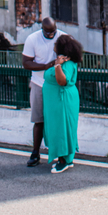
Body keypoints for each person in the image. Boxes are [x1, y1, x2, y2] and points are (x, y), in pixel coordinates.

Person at [21, 17, 64, 166]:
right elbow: (26, 63)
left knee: (57, 121)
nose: (51, 35)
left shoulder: (62, 37)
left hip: (56, 85)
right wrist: (45, 66)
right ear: (42, 30)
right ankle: (35, 153)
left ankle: (59, 154)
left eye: (53, 32)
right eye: (48, 32)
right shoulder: (32, 39)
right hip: (39, 84)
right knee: (39, 120)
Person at [42, 35, 83, 173]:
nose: (54, 46)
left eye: (56, 44)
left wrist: (58, 65)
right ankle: (66, 159)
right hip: (55, 102)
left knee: (62, 128)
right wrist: (57, 62)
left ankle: (64, 160)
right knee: (58, 127)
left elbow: (62, 81)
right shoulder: (62, 61)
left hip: (62, 101)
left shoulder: (68, 64)